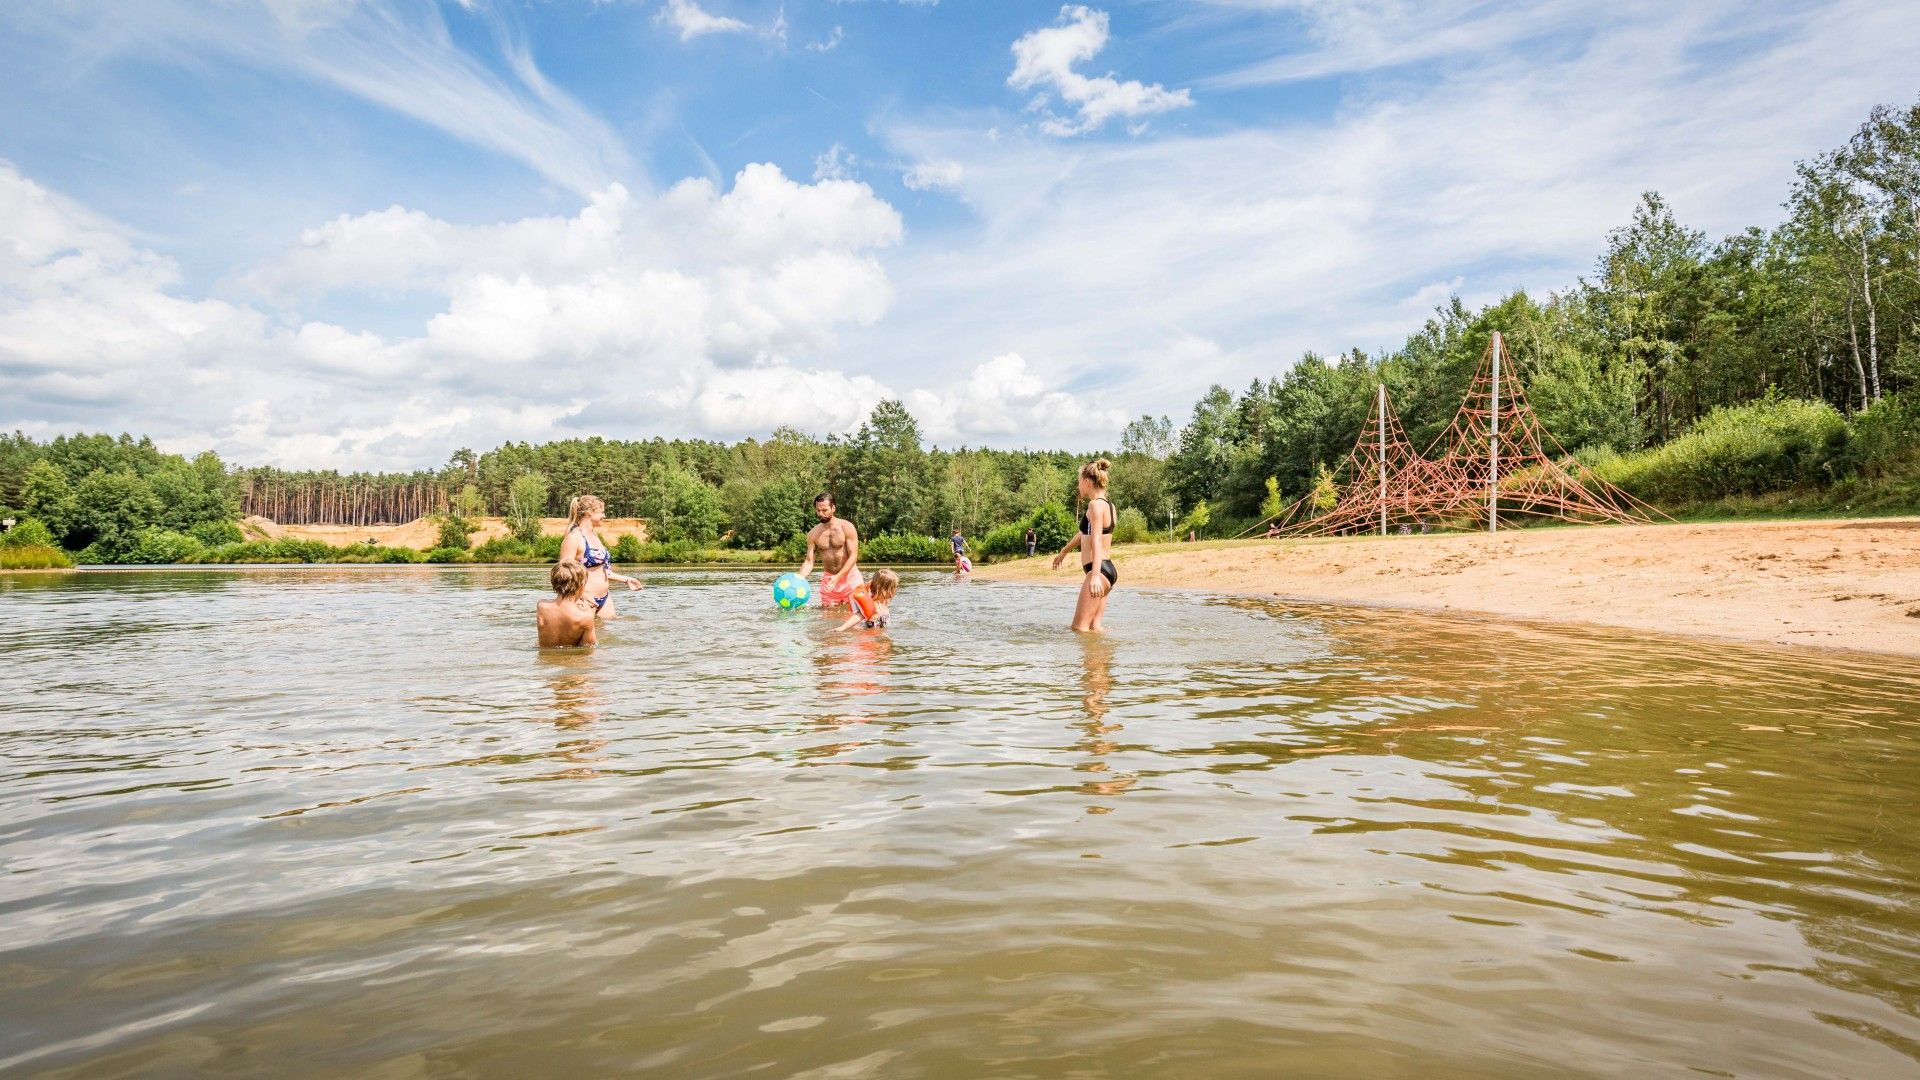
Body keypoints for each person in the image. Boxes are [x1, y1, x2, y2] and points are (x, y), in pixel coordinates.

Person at [1051, 458, 1117, 633]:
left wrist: (1094, 576)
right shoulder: (1109, 506)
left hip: (1098, 571)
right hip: (1108, 571)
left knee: (1079, 629)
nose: (1078, 486)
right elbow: (1085, 533)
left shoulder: (1095, 505)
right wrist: (1064, 551)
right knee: (1094, 629)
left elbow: (1096, 541)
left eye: (1079, 481)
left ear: (1087, 482)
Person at [558, 495, 642, 616]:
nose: (604, 516)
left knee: (611, 628)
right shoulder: (574, 538)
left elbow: (602, 571)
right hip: (582, 599)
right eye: (601, 512)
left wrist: (626, 579)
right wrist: (583, 594)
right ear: (589, 512)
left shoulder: (595, 536)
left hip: (604, 598)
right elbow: (563, 575)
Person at [799, 492, 861, 611]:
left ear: (833, 508)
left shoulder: (847, 527)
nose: (820, 514)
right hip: (829, 581)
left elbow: (853, 556)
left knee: (855, 615)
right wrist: (799, 578)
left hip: (851, 578)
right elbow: (809, 562)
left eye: (824, 510)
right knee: (828, 616)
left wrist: (838, 576)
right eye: (818, 510)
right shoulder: (813, 534)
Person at [537, 560, 598, 648]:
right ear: (581, 587)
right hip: (571, 657)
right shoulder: (585, 617)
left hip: (544, 656)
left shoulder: (542, 606)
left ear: (554, 583)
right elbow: (589, 646)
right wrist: (591, 610)